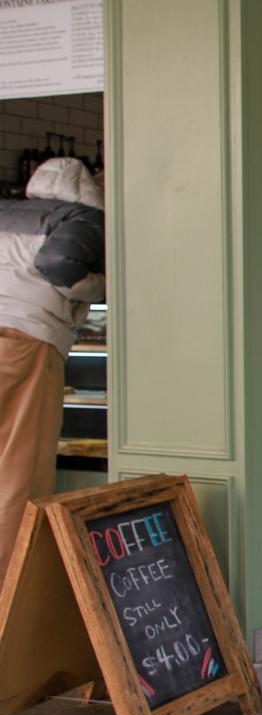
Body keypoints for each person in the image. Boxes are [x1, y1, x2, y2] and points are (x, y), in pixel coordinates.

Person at [0, 157, 106, 580]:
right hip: (24, 342)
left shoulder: (8, 211)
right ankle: (10, 596)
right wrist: (98, 286)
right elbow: (60, 262)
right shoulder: (81, 217)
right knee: (16, 473)